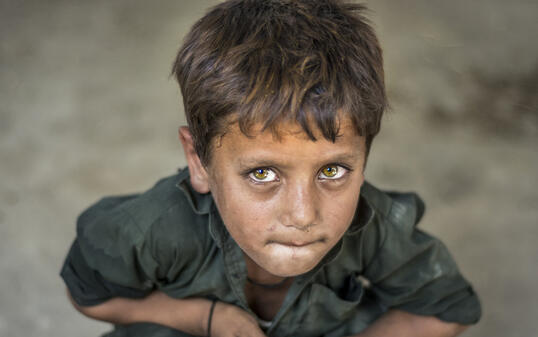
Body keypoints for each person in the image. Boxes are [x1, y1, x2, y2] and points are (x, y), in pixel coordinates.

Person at [60, 1, 481, 336]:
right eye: (262, 173)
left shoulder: (375, 229)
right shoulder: (150, 229)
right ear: (199, 161)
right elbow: (88, 292)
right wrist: (207, 320)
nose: (302, 214)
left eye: (332, 171)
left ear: (364, 159)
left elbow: (447, 308)